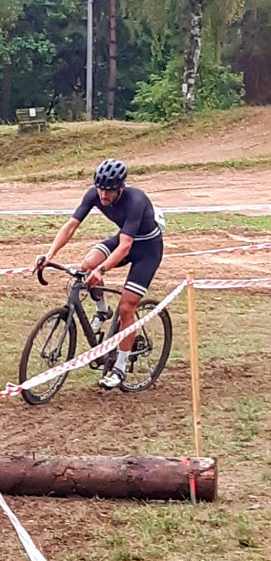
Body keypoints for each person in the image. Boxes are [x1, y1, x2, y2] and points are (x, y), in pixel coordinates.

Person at [35, 158, 164, 390]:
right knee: (87, 264)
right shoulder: (94, 194)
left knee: (127, 307)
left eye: (109, 191)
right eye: (100, 189)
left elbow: (125, 247)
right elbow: (71, 226)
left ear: (121, 188)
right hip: (124, 240)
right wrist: (49, 255)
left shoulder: (135, 200)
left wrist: (102, 269)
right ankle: (103, 310)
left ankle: (120, 368)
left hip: (147, 250)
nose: (103, 195)